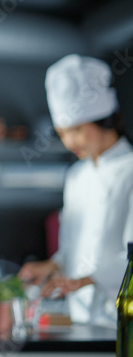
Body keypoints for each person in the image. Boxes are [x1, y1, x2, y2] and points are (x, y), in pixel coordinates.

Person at [19, 54, 133, 326]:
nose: (70, 142)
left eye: (77, 130)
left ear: (104, 119)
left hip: (121, 318)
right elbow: (72, 249)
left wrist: (83, 280)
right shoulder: (76, 177)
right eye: (62, 133)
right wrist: (51, 266)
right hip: (80, 317)